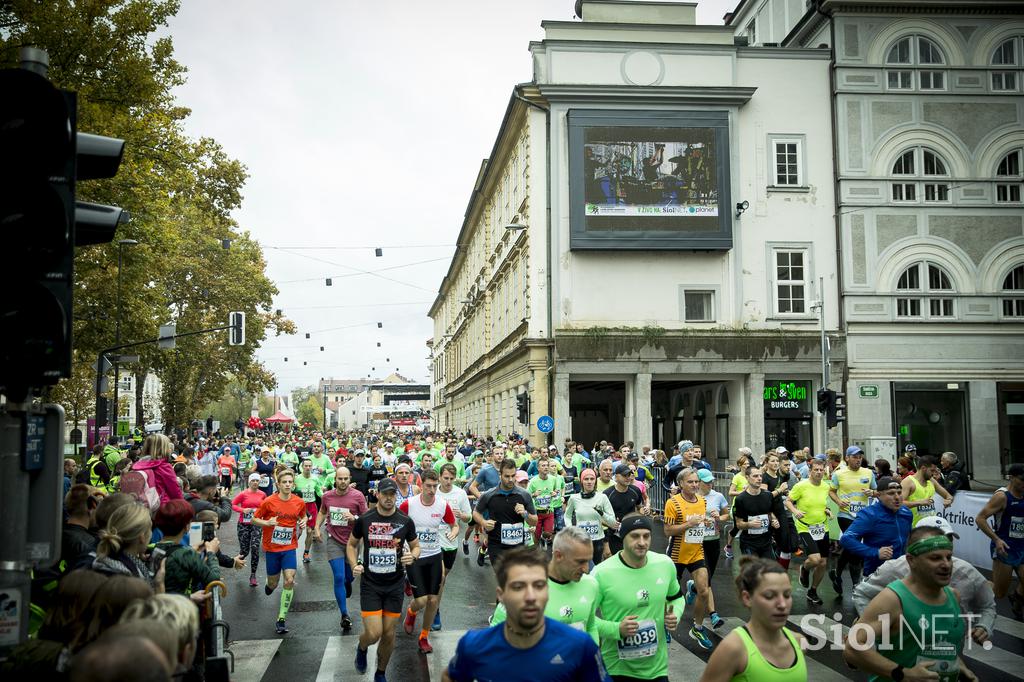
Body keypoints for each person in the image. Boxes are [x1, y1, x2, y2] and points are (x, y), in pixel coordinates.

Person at [443, 547, 608, 682]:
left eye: (538, 586)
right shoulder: (473, 645)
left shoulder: (581, 646)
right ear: (501, 595)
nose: (530, 597)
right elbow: (450, 676)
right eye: (518, 587)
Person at [844, 525, 978, 682]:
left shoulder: (953, 596)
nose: (946, 564)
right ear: (911, 560)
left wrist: (959, 665)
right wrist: (904, 674)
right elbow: (852, 649)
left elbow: (942, 646)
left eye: (948, 557)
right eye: (935, 558)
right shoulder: (893, 599)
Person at [854, 516, 996, 646]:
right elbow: (861, 593)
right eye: (934, 543)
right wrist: (874, 625)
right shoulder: (893, 569)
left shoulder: (967, 575)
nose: (944, 545)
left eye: (948, 539)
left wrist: (983, 626)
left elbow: (987, 605)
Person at [591, 513, 681, 681]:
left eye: (646, 536)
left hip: (657, 670)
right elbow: (584, 619)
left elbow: (676, 597)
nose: (642, 542)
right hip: (617, 669)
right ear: (623, 538)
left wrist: (675, 613)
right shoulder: (601, 573)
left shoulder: (664, 564)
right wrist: (616, 629)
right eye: (635, 536)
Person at [349, 478, 420, 682]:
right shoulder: (365, 519)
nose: (389, 498)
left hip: (395, 584)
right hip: (371, 584)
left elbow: (416, 546)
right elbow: (351, 544)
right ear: (377, 494)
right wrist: (354, 565)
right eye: (385, 494)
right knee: (373, 633)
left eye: (392, 494)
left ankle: (380, 672)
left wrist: (412, 556)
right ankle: (362, 647)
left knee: (389, 634)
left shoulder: (405, 521)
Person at [698, 557, 807, 682]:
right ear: (747, 598)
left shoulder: (800, 642)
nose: (782, 604)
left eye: (787, 595)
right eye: (770, 596)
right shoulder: (733, 649)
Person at [489, 527, 604, 641]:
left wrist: (593, 655)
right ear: (558, 556)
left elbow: (590, 626)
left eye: (588, 561)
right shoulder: (524, 591)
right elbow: (494, 641)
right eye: (580, 562)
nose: (586, 569)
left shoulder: (591, 584)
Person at [400, 469, 458, 654]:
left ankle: (424, 636)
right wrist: (400, 547)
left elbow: (454, 524)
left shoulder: (442, 505)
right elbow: (397, 526)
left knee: (433, 600)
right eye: (428, 486)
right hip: (415, 556)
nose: (432, 490)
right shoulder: (409, 504)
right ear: (421, 485)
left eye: (435, 486)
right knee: (422, 600)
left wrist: (453, 532)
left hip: (434, 555)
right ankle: (411, 612)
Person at [663, 468, 716, 649]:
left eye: (696, 481)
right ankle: (666, 626)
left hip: (696, 552)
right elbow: (668, 531)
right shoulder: (673, 503)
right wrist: (688, 524)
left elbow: (698, 523)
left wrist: (705, 522)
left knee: (703, 591)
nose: (695, 485)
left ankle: (697, 627)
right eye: (690, 482)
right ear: (681, 484)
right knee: (670, 595)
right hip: (677, 554)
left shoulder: (702, 501)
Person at [252, 469, 307, 634]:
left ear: (293, 484)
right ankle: (269, 586)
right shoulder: (269, 501)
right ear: (278, 484)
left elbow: (303, 516)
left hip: (289, 547)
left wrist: (303, 522)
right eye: (284, 482)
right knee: (274, 583)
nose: (288, 485)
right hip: (272, 548)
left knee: (289, 580)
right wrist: (267, 523)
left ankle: (281, 618)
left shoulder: (299, 502)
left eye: (290, 482)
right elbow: (254, 519)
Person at [320, 466, 368, 631]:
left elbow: (366, 517)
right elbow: (322, 511)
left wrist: (354, 518)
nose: (342, 481)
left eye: (345, 479)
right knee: (339, 577)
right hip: (334, 541)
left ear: (350, 479)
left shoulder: (358, 496)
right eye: (340, 478)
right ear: (335, 479)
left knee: (349, 577)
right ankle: (344, 614)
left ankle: (348, 582)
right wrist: (316, 528)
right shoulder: (327, 496)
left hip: (352, 542)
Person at [975, 462, 1024, 619]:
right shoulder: (1002, 497)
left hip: (1022, 547)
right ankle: (977, 587)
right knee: (999, 592)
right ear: (1011, 477)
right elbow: (980, 519)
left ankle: (1017, 598)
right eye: (1022, 479)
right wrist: (996, 539)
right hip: (1005, 548)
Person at [839, 476, 912, 577]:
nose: (897, 497)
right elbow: (846, 539)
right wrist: (875, 552)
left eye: (899, 493)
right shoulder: (869, 514)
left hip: (902, 572)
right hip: (876, 574)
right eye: (891, 493)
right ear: (878, 495)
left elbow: (908, 539)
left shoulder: (906, 513)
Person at [473, 458, 538, 572]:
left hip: (518, 546)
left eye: (513, 476)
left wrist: (525, 514)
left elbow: (534, 521)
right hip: (497, 545)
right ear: (500, 475)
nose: (511, 479)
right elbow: (476, 512)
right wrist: (483, 522)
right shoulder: (489, 495)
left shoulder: (524, 495)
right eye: (507, 476)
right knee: (504, 578)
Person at [827, 445, 876, 595]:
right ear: (847, 458)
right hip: (845, 515)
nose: (858, 460)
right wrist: (838, 502)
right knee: (854, 548)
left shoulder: (869, 473)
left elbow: (878, 491)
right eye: (854, 457)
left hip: (863, 516)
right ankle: (856, 585)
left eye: (860, 457)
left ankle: (836, 572)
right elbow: (831, 491)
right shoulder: (839, 474)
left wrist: (872, 492)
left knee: (850, 547)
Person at [785, 458, 832, 605]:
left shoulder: (825, 486)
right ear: (810, 471)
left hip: (822, 527)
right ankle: (804, 569)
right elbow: (788, 501)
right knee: (815, 559)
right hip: (805, 527)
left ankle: (813, 591)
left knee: (823, 563)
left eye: (821, 470)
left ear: (824, 470)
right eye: (815, 470)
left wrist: (828, 510)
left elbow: (822, 504)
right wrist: (795, 511)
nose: (818, 472)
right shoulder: (801, 486)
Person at [151, 499, 221, 596]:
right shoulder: (186, 554)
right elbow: (214, 579)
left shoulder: (154, 548)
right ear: (186, 526)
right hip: (182, 607)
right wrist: (211, 553)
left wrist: (193, 549)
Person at [434, 462, 473, 631]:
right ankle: (435, 610)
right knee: (440, 576)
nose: (448, 482)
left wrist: (461, 515)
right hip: (433, 541)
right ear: (440, 477)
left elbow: (469, 518)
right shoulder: (433, 492)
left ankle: (431, 600)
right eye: (445, 478)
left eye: (451, 478)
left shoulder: (460, 494)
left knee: (443, 577)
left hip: (451, 541)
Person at [564, 468, 618, 566]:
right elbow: (567, 516)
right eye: (586, 479)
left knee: (595, 568)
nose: (589, 482)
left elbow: (613, 522)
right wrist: (570, 528)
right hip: (581, 540)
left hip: (598, 540)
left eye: (592, 479)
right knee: (582, 568)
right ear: (581, 481)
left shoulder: (602, 497)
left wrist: (601, 513)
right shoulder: (574, 498)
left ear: (595, 481)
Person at [91, 503, 154, 584]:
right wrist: (160, 586)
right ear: (142, 537)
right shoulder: (127, 579)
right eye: (150, 530)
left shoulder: (105, 558)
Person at [732, 465, 784, 560]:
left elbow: (770, 513)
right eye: (755, 476)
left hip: (766, 541)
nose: (759, 479)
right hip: (749, 543)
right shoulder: (741, 499)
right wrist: (749, 524)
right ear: (747, 478)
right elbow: (739, 524)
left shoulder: (768, 495)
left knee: (771, 571)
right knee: (754, 570)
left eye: (760, 476)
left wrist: (774, 520)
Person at [602, 463, 646, 559]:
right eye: (624, 475)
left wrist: (642, 514)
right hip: (614, 536)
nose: (628, 478)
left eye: (629, 475)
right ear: (616, 477)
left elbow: (640, 507)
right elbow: (600, 517)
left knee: (633, 560)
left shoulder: (635, 490)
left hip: (632, 533)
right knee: (617, 562)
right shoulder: (607, 494)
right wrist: (610, 524)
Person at [232, 473, 267, 587]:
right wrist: (243, 510)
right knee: (245, 551)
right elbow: (232, 505)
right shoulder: (243, 494)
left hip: (256, 524)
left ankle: (253, 575)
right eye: (253, 481)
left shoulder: (263, 494)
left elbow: (266, 507)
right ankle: (236, 562)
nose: (255, 482)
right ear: (249, 482)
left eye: (257, 480)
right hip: (244, 524)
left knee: (255, 547)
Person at [131, 434, 184, 504]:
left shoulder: (138, 466)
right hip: (162, 507)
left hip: (142, 506)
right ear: (163, 448)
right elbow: (175, 491)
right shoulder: (164, 467)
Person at [293, 458, 324, 564]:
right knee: (298, 531)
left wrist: (325, 497)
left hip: (311, 507)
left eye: (309, 466)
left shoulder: (315, 478)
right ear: (302, 467)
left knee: (310, 531)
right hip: (299, 508)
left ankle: (306, 552)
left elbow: (319, 491)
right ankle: (291, 549)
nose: (307, 468)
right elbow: (292, 491)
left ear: (312, 467)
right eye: (305, 466)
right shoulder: (297, 479)